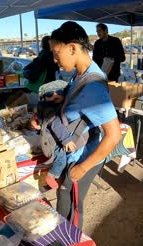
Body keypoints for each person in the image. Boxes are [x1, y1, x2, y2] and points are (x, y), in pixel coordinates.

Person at [50, 21, 121, 228]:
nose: (55, 60)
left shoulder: (93, 87)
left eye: (56, 53)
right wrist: (63, 96)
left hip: (83, 156)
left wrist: (83, 168)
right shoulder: (81, 72)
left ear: (72, 48)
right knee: (64, 199)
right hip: (73, 151)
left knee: (72, 207)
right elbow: (78, 96)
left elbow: (114, 135)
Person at [36, 80, 77, 189]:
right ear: (44, 98)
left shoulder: (49, 106)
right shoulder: (49, 108)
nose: (55, 95)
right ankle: (52, 175)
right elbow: (55, 124)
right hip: (52, 141)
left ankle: (56, 176)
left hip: (52, 138)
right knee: (61, 159)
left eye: (59, 92)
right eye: (50, 94)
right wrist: (66, 140)